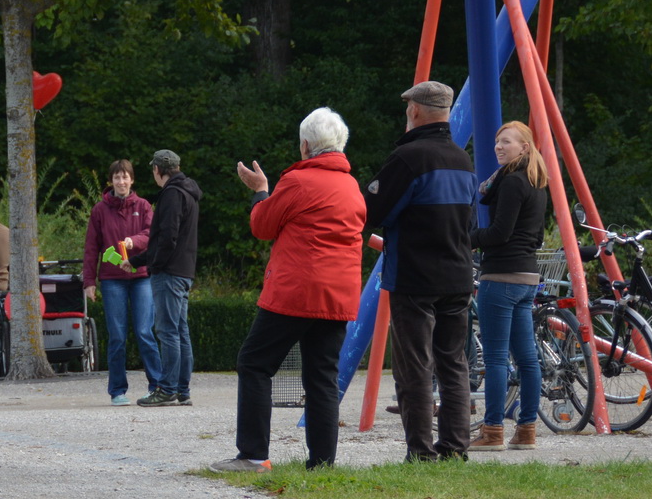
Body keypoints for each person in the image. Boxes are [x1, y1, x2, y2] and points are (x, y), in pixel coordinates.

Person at [212, 110, 366, 472]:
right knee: (322, 377)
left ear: (305, 144)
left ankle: (253, 455)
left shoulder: (299, 182)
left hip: (296, 292)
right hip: (338, 297)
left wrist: (260, 192)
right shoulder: (352, 186)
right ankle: (322, 463)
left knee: (254, 363)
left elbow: (262, 225)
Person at [363, 80, 479, 462]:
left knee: (414, 365)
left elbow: (373, 213)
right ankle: (455, 449)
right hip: (458, 276)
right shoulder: (464, 162)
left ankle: (421, 451)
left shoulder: (408, 159)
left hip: (414, 277)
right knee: (453, 364)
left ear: (414, 111)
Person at [468, 121, 552, 452]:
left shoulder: (513, 182)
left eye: (506, 142)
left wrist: (465, 239)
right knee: (527, 358)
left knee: (497, 357)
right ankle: (526, 430)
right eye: (496, 141)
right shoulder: (535, 183)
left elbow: (499, 234)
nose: (498, 147)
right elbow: (538, 236)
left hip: (501, 277)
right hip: (528, 278)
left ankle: (492, 432)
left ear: (525, 148)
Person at [84, 159, 162, 406]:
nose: (121, 181)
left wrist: (134, 242)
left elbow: (152, 235)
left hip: (141, 277)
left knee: (144, 331)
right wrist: (89, 281)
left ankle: (157, 385)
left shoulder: (144, 206)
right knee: (117, 336)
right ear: (111, 181)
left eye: (125, 177)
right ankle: (117, 390)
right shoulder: (99, 210)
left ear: (132, 180)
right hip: (111, 280)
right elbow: (91, 248)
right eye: (117, 177)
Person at [129, 149, 201, 407]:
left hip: (169, 273)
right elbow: (168, 239)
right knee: (181, 332)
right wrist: (136, 261)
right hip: (184, 270)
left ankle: (167, 389)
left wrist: (155, 265)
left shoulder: (171, 194)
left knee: (168, 332)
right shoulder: (189, 193)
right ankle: (182, 390)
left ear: (158, 170)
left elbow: (166, 238)